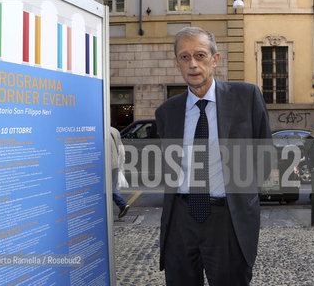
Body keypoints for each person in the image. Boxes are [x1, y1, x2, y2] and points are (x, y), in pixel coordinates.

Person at [155, 27, 272, 286]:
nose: (193, 64)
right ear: (177, 63)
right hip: (180, 221)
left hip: (227, 220)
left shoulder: (246, 97)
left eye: (200, 55)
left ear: (215, 59)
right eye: (184, 57)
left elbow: (264, 158)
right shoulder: (166, 112)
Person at [110, 126, 130, 218]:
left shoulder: (98, 131)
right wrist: (121, 165)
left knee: (109, 188)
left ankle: (122, 204)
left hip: (106, 165)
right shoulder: (114, 130)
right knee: (111, 187)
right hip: (115, 164)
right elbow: (121, 151)